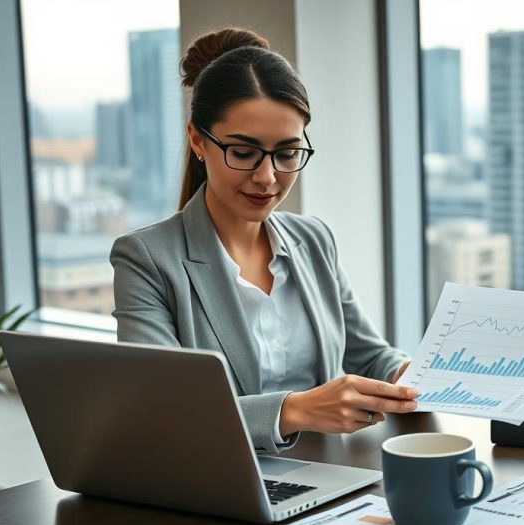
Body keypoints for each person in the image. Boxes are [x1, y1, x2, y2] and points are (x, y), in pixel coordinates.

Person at [110, 28, 417, 454]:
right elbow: (163, 410)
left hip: (328, 477)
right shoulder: (147, 258)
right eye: (243, 151)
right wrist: (294, 411)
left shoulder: (313, 240)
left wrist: (408, 376)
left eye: (288, 153)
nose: (267, 177)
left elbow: (368, 355)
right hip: (218, 484)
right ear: (198, 140)